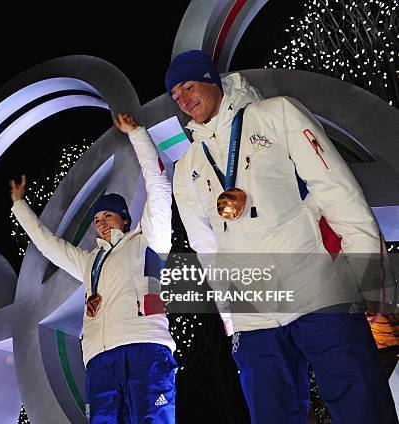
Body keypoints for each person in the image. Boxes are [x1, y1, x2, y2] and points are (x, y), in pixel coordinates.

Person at [166, 50, 396, 423]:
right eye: (175, 96)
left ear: (211, 80)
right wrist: (231, 316)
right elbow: (206, 248)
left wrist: (370, 284)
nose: (183, 99)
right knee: (271, 414)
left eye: (189, 86)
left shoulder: (276, 114)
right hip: (252, 311)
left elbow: (337, 191)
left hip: (315, 286)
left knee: (360, 402)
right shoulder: (186, 168)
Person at [10, 113, 177, 423]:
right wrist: (20, 206)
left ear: (124, 219)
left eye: (108, 216)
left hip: (144, 346)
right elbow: (49, 246)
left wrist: (137, 135)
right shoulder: (90, 261)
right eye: (97, 220)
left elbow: (159, 187)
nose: (101, 224)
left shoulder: (149, 239)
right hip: (99, 359)